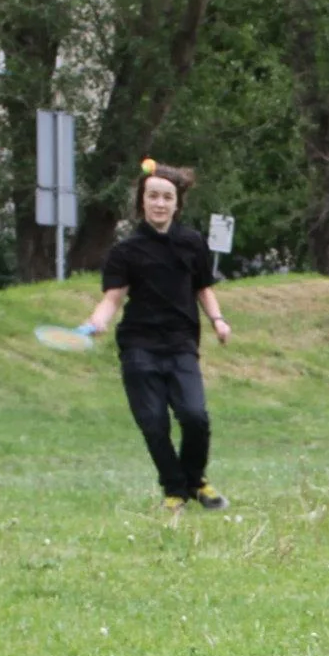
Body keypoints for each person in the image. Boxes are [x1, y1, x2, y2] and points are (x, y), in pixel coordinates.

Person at [78, 161, 232, 515]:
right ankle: (174, 491)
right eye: (153, 197)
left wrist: (218, 321)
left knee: (195, 416)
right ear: (142, 203)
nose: (160, 204)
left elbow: (203, 289)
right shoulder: (125, 252)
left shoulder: (192, 243)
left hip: (181, 344)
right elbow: (113, 298)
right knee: (154, 424)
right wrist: (96, 321)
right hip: (139, 347)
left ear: (177, 204)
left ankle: (195, 480)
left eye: (167, 197)